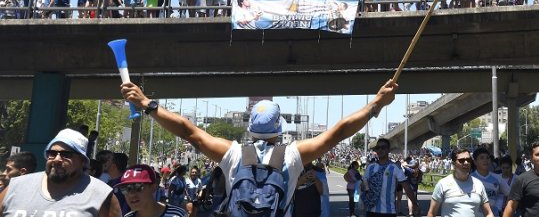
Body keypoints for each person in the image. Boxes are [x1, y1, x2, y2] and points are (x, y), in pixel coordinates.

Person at [121, 79, 399, 217]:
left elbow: (188, 131)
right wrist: (376, 104)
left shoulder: (232, 153)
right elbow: (338, 132)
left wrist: (149, 104)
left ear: (250, 126)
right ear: (280, 128)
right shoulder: (292, 154)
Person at [0, 128, 121, 217]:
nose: (57, 159)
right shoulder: (16, 187)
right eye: (52, 153)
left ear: (82, 161)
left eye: (66, 154)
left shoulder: (101, 194)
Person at [426, 148, 493, 217]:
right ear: (453, 164)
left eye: (468, 160)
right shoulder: (443, 184)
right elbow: (432, 213)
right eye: (461, 160)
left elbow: (488, 213)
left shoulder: (478, 184)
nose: (466, 163)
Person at [361, 138, 420, 217]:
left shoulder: (395, 167)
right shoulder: (370, 167)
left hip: (388, 212)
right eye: (378, 148)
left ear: (388, 150)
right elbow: (363, 186)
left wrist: (415, 204)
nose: (380, 150)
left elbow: (407, 187)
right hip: (371, 211)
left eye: (383, 147)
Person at [115, 164, 187, 217]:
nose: (131, 194)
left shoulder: (177, 215)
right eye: (125, 189)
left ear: (153, 187)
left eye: (138, 187)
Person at [471, 148, 510, 217]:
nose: (485, 160)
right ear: (475, 162)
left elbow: (511, 195)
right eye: (482, 158)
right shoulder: (470, 179)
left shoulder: (498, 178)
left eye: (487, 158)